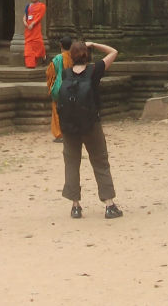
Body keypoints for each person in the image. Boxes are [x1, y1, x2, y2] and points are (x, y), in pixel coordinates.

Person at [58, 39, 123, 220]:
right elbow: (114, 51)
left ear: (71, 56)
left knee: (71, 162)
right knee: (100, 161)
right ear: (87, 55)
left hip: (69, 125)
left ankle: (75, 206)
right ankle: (109, 205)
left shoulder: (66, 73)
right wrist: (93, 44)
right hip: (91, 124)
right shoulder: (94, 70)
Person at [46, 35, 74, 141]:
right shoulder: (74, 57)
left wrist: (51, 84)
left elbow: (50, 73)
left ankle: (59, 134)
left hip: (60, 88)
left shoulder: (58, 59)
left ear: (61, 46)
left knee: (57, 111)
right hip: (72, 87)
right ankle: (70, 132)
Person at [23, 0, 47, 68]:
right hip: (28, 29)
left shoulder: (42, 6)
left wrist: (33, 23)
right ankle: (30, 64)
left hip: (36, 28)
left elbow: (39, 17)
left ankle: (43, 56)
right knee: (28, 46)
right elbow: (25, 16)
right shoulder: (28, 6)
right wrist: (25, 23)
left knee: (38, 44)